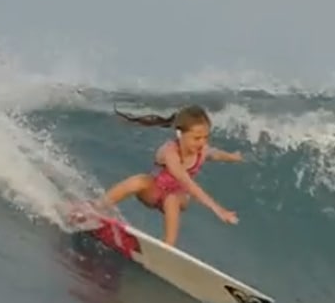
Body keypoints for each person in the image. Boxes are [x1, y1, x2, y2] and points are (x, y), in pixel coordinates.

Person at [97, 104, 242, 246]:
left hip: (178, 197)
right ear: (180, 134)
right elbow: (187, 182)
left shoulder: (202, 151)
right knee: (139, 180)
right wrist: (218, 209)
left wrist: (233, 157)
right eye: (197, 138)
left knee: (172, 199)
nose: (202, 142)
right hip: (154, 193)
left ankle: (168, 246)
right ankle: (96, 208)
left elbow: (215, 154)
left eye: (206, 137)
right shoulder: (169, 152)